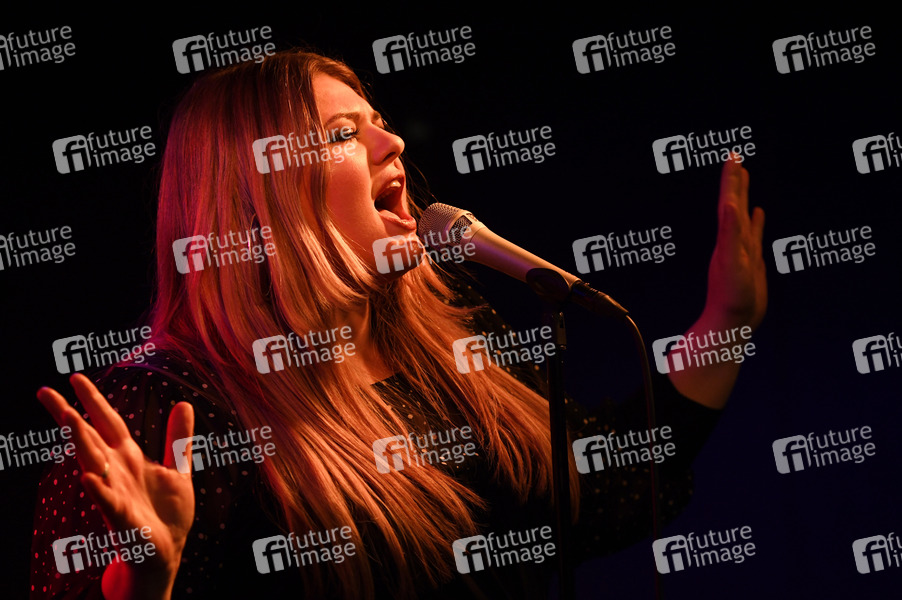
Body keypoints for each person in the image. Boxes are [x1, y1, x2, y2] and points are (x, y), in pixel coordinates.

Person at [30, 50, 766, 599]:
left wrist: (725, 320)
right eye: (344, 134)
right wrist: (146, 585)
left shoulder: (451, 345)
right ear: (259, 196)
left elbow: (607, 491)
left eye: (380, 124)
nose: (394, 145)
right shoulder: (169, 406)